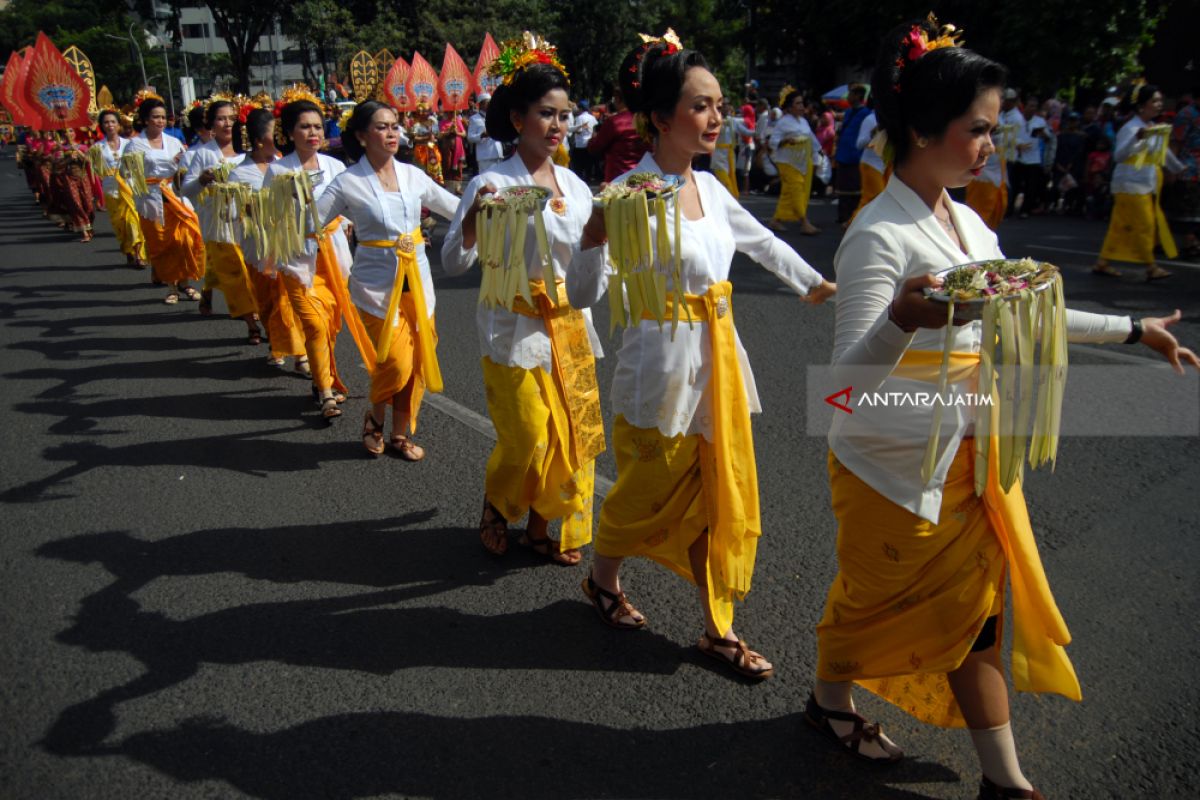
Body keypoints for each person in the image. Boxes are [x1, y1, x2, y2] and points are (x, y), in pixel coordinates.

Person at [809, 17, 1199, 799]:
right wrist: (899, 323)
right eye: (978, 128)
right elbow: (837, 393)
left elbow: (1023, 302)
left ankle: (1004, 779)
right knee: (871, 601)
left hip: (971, 456)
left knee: (975, 612)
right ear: (923, 129)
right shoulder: (876, 238)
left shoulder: (965, 219)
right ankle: (829, 699)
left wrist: (1132, 328)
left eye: (993, 127)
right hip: (893, 467)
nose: (994, 143)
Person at [567, 30, 835, 678]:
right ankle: (603, 576)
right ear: (660, 117)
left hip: (717, 363)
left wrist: (819, 285)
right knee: (645, 489)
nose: (717, 117)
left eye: (720, 104)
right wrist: (592, 237)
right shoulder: (626, 193)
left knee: (718, 495)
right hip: (657, 370)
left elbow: (764, 244)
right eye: (701, 105)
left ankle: (719, 628)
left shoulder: (711, 191)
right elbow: (581, 293)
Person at [442, 32, 603, 565]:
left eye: (564, 115)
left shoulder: (577, 189)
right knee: (530, 434)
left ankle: (541, 526)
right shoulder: (490, 181)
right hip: (512, 326)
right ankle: (499, 502)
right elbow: (453, 262)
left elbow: (591, 258)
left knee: (570, 433)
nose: (557, 126)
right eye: (545, 114)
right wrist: (472, 220)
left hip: (568, 321)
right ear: (517, 120)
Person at [316, 101, 460, 458]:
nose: (392, 132)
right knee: (395, 361)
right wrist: (282, 202)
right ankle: (374, 419)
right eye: (382, 127)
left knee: (417, 359)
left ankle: (400, 432)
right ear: (362, 136)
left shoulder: (412, 175)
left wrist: (492, 202)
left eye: (395, 125)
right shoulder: (348, 182)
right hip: (375, 286)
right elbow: (309, 221)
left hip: (418, 280)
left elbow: (453, 206)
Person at [266, 93, 355, 421]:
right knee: (314, 325)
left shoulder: (335, 166)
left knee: (330, 323)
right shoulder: (278, 170)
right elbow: (269, 218)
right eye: (304, 127)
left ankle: (321, 381)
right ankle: (327, 392)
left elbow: (348, 205)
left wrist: (345, 223)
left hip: (333, 256)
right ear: (290, 133)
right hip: (296, 258)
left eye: (317, 126)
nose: (312, 133)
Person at [229, 107, 308, 372]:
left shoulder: (288, 164)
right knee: (268, 301)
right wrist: (258, 207)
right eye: (276, 133)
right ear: (261, 139)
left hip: (289, 243)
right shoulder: (239, 174)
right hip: (259, 246)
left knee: (291, 297)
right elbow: (233, 214)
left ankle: (301, 354)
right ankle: (277, 341)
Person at [182, 99, 261, 336]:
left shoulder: (251, 149)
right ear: (212, 124)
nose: (227, 124)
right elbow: (186, 189)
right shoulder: (203, 153)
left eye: (232, 118)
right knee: (234, 272)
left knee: (252, 271)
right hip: (220, 223)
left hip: (249, 221)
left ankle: (210, 290)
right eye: (221, 118)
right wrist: (201, 180)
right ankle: (251, 323)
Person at [1093, 85, 1184, 281]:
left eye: (1160, 101)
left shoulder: (1152, 128)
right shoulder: (1131, 128)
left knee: (1120, 225)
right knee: (1145, 224)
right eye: (1155, 101)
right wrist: (1137, 138)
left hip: (1142, 183)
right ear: (1142, 106)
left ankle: (1103, 262)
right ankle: (1151, 266)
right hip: (1130, 185)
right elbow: (1119, 155)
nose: (1159, 105)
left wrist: (1178, 168)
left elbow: (1163, 153)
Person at [124, 94, 204, 304]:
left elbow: (184, 168)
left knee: (184, 240)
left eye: (162, 117)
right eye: (155, 117)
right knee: (163, 244)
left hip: (174, 195)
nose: (159, 121)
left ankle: (185, 282)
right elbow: (129, 172)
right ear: (145, 120)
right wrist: (171, 162)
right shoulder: (135, 145)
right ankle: (171, 286)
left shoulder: (174, 141)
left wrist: (181, 166)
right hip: (151, 197)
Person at [90, 109, 147, 267]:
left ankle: (139, 254)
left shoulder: (130, 144)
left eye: (113, 122)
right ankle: (127, 249)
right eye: (106, 122)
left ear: (118, 124)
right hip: (111, 188)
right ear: (102, 125)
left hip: (130, 187)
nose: (110, 125)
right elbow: (96, 171)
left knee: (133, 220)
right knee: (120, 224)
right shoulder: (97, 148)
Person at [769, 89, 821, 235]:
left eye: (802, 103)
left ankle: (776, 220)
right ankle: (804, 222)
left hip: (802, 161)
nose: (801, 106)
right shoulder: (783, 123)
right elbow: (773, 142)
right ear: (790, 107)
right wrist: (785, 141)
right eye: (797, 103)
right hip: (787, 162)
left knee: (788, 193)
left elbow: (812, 139)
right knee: (796, 189)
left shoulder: (804, 121)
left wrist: (818, 154)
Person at [586, 87, 649, 183]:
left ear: (618, 99)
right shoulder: (645, 119)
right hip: (645, 176)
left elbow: (594, 147)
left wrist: (593, 137)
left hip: (618, 178)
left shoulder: (614, 122)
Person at [834, 84, 871, 224]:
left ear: (857, 96)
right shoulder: (849, 112)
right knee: (842, 187)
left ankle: (853, 216)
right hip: (843, 153)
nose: (848, 97)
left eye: (851, 94)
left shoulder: (866, 114)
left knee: (855, 188)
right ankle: (843, 215)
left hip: (856, 155)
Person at [710, 99, 753, 198]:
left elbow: (746, 132)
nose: (725, 107)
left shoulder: (733, 121)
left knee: (731, 178)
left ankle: (726, 202)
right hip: (719, 155)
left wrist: (757, 131)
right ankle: (728, 199)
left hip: (730, 155)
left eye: (727, 105)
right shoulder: (713, 119)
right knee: (724, 181)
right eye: (723, 105)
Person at [851, 106, 887, 220]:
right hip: (870, 165)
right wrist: (873, 134)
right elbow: (859, 144)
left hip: (884, 166)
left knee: (877, 200)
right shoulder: (870, 119)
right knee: (873, 199)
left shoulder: (889, 119)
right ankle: (853, 224)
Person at [468, 94, 505, 175]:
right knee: (486, 180)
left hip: (498, 153)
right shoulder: (474, 119)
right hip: (485, 155)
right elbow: (470, 137)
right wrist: (481, 135)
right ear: (481, 104)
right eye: (487, 103)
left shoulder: (495, 117)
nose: (489, 105)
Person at [569, 99, 597, 183]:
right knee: (588, 166)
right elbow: (595, 130)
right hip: (589, 144)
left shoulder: (579, 118)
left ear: (581, 108)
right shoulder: (592, 117)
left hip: (580, 145)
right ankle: (588, 181)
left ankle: (579, 183)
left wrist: (573, 130)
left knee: (579, 168)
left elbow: (579, 130)